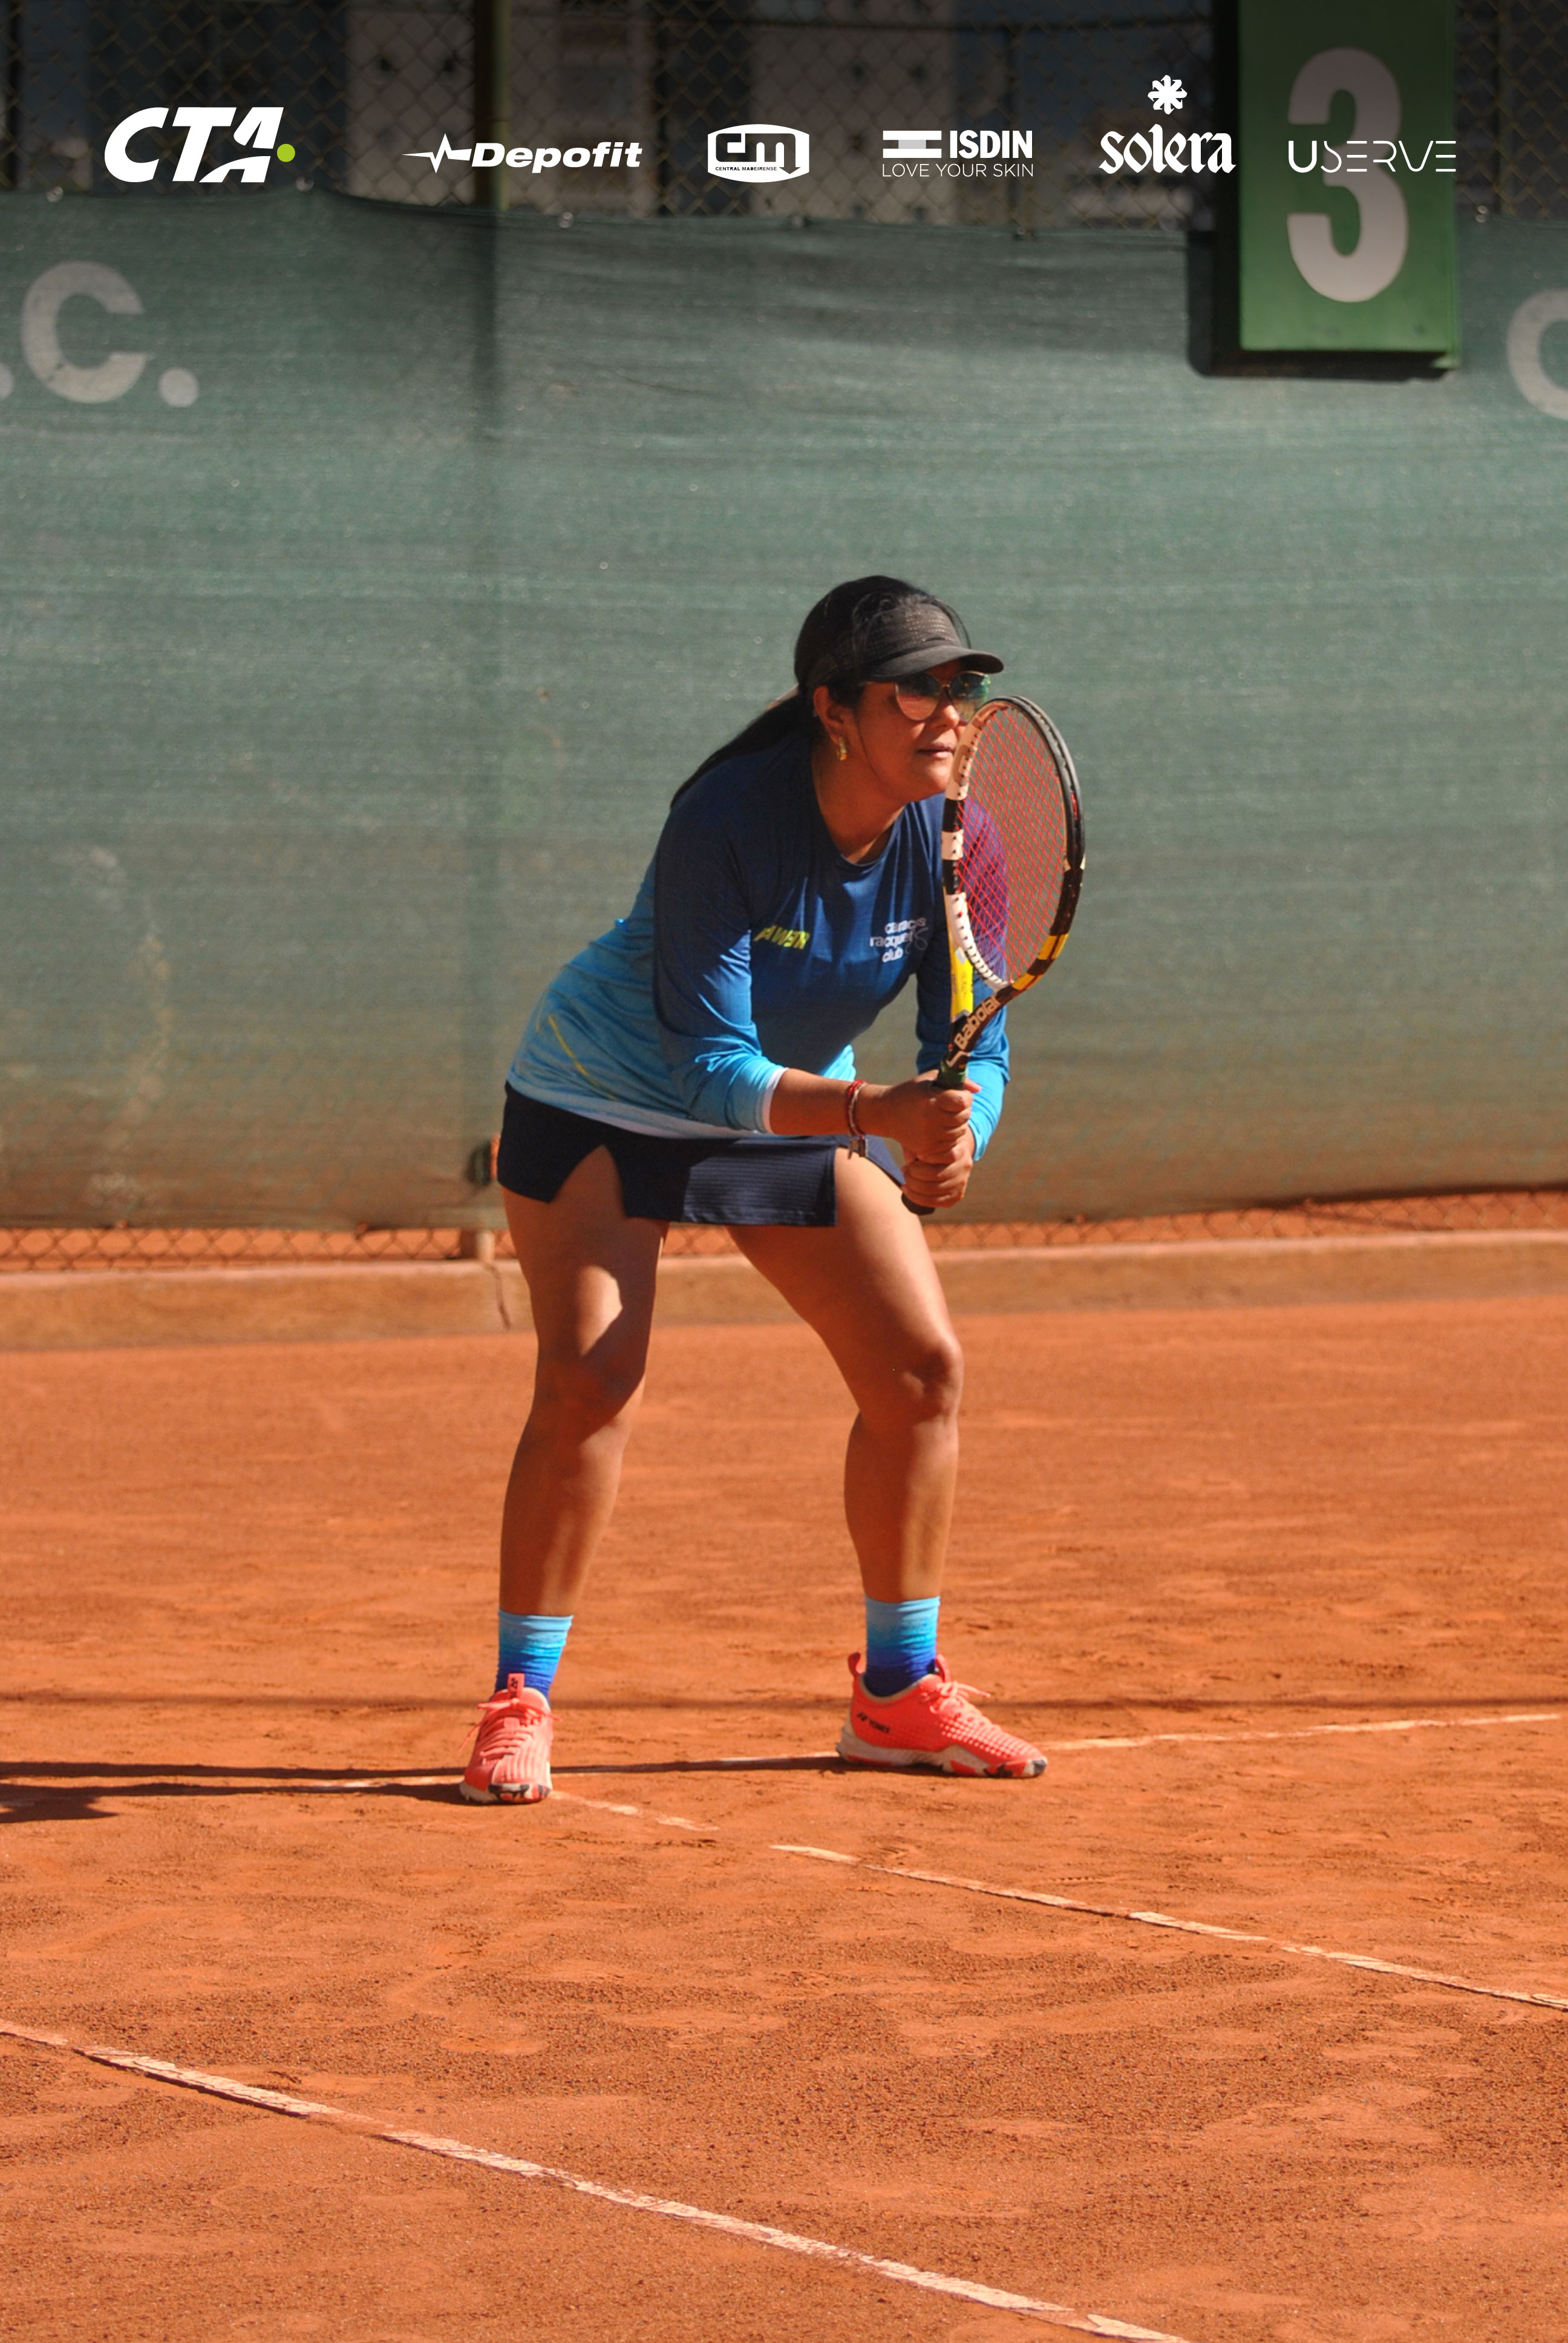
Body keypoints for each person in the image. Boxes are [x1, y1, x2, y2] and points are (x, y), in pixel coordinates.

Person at [462, 575, 1048, 1803]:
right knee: (591, 1377)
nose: (949, 714)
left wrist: (960, 1135)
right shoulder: (729, 816)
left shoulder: (962, 841)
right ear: (835, 711)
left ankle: (898, 1694)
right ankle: (521, 1697)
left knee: (920, 1369)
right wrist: (879, 1115)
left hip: (796, 1101)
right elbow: (707, 1068)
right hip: (607, 1097)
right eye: (916, 690)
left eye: (960, 687)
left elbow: (974, 1039)